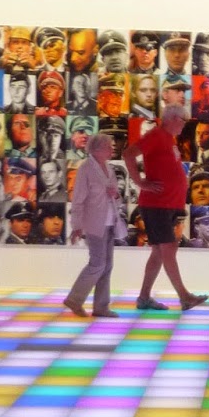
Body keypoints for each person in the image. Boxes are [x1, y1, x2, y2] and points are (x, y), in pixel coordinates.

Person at [120, 106, 207, 312]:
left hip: (166, 205)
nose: (184, 125)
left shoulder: (168, 138)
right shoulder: (157, 135)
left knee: (160, 252)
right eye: (183, 120)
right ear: (172, 118)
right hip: (157, 204)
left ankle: (144, 297)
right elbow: (128, 154)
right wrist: (139, 182)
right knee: (168, 249)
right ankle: (184, 296)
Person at [62, 133, 122, 316]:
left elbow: (117, 197)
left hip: (110, 222)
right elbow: (78, 200)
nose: (111, 149)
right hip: (94, 223)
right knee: (97, 264)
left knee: (107, 265)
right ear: (97, 149)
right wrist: (77, 225)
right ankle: (74, 299)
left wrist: (115, 195)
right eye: (108, 146)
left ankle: (101, 306)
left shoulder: (109, 168)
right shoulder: (86, 169)